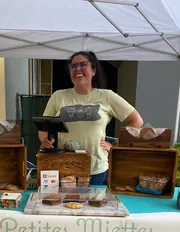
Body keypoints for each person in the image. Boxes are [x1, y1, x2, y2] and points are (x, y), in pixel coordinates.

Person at [38, 51, 143, 185]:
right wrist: (45, 140)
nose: (78, 69)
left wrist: (116, 144)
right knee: (62, 204)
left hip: (95, 168)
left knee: (93, 204)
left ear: (93, 70)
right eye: (73, 66)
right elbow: (43, 127)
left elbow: (136, 120)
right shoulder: (58, 96)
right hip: (64, 165)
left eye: (83, 64)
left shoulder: (107, 96)